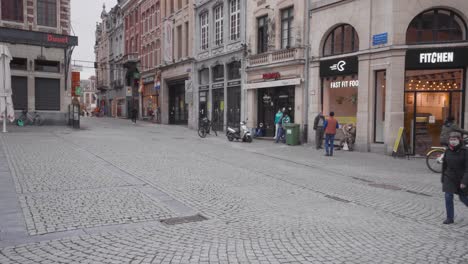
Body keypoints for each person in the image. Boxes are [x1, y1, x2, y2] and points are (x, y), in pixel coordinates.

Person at [441, 132, 468, 224]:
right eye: (451, 139)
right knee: (448, 195)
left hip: (462, 177)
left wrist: (464, 181)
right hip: (449, 176)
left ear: (459, 140)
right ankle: (450, 218)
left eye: (455, 139)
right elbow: (444, 165)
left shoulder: (465, 151)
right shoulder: (447, 150)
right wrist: (443, 178)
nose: (452, 142)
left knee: (463, 198)